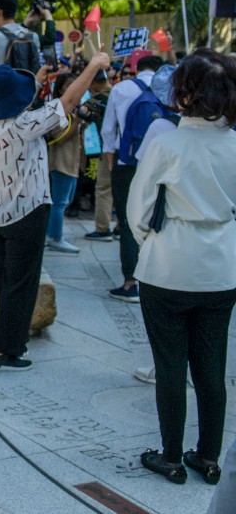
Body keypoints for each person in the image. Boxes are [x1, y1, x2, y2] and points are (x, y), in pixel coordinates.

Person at [126, 50, 236, 486]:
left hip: (168, 264)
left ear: (185, 93)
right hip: (222, 266)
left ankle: (170, 455)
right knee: (212, 367)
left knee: (170, 366)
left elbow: (139, 210)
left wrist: (149, 243)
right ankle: (208, 455)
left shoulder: (167, 142)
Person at [0, 50, 110, 370]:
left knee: (7, 281)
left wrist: (37, 80)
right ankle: (0, 352)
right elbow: (66, 103)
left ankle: (6, 346)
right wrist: (93, 65)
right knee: (22, 286)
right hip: (27, 212)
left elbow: (21, 102)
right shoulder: (25, 124)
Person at [100, 51, 164, 302]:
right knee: (159, 217)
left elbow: (108, 130)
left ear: (138, 69)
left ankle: (130, 282)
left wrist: (112, 163)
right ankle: (158, 279)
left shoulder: (122, 88)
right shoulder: (171, 88)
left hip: (127, 162)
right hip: (163, 162)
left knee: (128, 220)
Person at [45, 71, 86, 253]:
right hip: (60, 162)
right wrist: (77, 122)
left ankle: (53, 233)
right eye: (70, 84)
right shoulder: (57, 108)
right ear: (61, 87)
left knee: (65, 201)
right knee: (59, 202)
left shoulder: (74, 108)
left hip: (71, 162)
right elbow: (59, 137)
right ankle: (55, 237)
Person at [81, 69, 115, 242]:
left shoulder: (98, 100)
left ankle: (102, 228)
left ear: (94, 82)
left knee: (104, 189)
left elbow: (80, 113)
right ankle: (121, 227)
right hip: (128, 150)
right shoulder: (120, 92)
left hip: (108, 148)